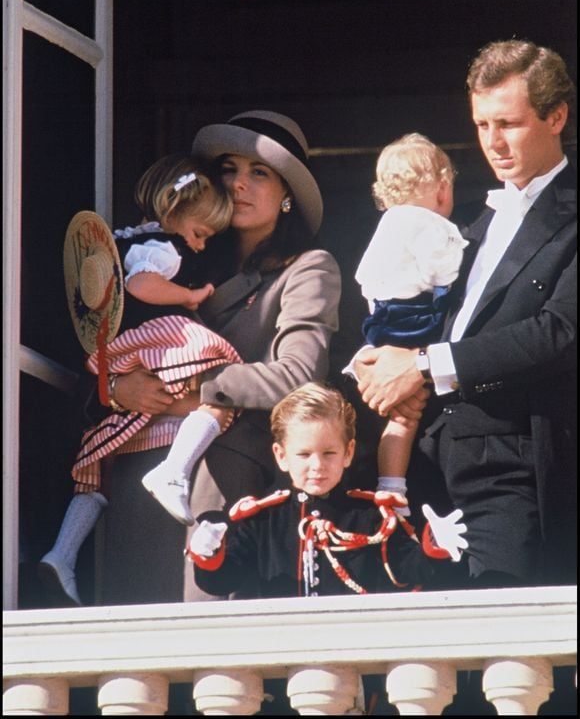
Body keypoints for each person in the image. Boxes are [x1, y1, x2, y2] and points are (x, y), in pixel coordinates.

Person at [95, 110, 343, 604]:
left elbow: (300, 375)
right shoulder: (172, 254)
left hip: (224, 473)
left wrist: (198, 387)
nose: (239, 185)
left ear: (287, 193)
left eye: (259, 174)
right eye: (229, 169)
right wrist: (117, 388)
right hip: (133, 459)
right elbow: (110, 343)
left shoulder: (308, 268)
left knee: (201, 647)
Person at [354, 39, 577, 588]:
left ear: (556, 117)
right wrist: (380, 358)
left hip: (516, 464)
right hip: (430, 462)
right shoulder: (472, 226)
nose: (494, 143)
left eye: (509, 123)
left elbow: (559, 332)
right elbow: (422, 316)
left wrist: (424, 365)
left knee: (507, 649)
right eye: (481, 125)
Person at [39, 155, 241, 605]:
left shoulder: (128, 238)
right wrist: (189, 295)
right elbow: (142, 286)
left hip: (120, 351)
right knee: (220, 366)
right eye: (200, 233)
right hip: (151, 340)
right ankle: (174, 471)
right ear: (173, 214)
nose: (201, 246)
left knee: (94, 469)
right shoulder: (164, 248)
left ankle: (61, 554)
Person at [186, 382, 468, 598]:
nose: (317, 465)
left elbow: (407, 569)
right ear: (281, 456)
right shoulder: (260, 520)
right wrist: (209, 556)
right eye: (304, 454)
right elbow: (223, 581)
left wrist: (435, 547)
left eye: (329, 453)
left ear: (349, 453)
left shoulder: (371, 517)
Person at [352, 133, 467, 513]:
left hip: (381, 318)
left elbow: (364, 277)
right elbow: (446, 270)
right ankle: (393, 488)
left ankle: (390, 484)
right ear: (442, 189)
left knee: (398, 415)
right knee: (409, 409)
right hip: (414, 321)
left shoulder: (386, 225)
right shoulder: (431, 225)